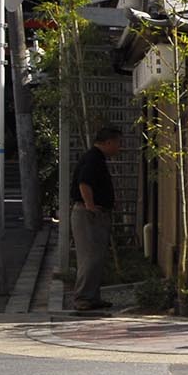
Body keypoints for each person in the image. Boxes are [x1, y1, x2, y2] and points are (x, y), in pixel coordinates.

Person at [69, 126, 122, 312]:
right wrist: (90, 205)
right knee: (90, 257)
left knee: (97, 256)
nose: (119, 148)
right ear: (108, 142)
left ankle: (92, 296)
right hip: (87, 214)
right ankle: (83, 297)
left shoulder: (97, 158)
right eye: (117, 143)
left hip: (93, 212)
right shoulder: (93, 159)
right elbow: (84, 183)